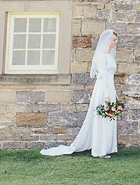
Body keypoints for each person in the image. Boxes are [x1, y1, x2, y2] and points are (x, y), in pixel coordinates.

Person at [41, 29, 118, 158]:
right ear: (108, 41)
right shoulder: (100, 57)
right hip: (103, 89)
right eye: (114, 40)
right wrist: (106, 95)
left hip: (110, 88)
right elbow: (103, 76)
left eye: (116, 40)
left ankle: (107, 147)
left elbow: (110, 77)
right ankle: (99, 150)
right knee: (101, 117)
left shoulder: (110, 56)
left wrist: (114, 93)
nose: (116, 42)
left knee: (109, 117)